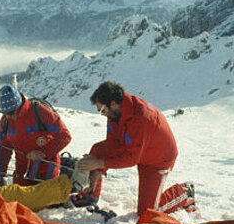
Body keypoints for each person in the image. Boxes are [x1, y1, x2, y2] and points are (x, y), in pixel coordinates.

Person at [76, 81, 183, 215]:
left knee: (147, 213)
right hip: (137, 150)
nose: (102, 114)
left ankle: (184, 193)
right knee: (98, 149)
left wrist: (99, 163)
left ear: (113, 103)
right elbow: (111, 144)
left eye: (102, 110)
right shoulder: (115, 113)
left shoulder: (142, 118)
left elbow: (131, 159)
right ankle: (90, 194)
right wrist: (99, 170)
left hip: (157, 160)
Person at [0, 84, 72, 186]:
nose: (8, 116)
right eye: (5, 113)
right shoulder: (5, 122)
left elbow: (65, 136)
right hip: (22, 171)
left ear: (19, 106)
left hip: (46, 170)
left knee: (45, 200)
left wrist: (43, 152)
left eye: (11, 113)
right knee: (18, 200)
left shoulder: (40, 113)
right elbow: (4, 148)